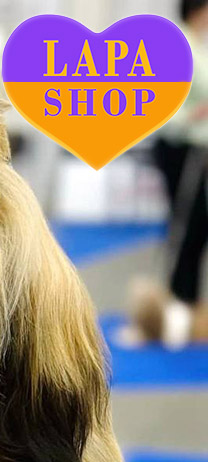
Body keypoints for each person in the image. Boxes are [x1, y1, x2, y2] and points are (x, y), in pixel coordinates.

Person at [153, 0, 208, 348]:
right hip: (180, 149)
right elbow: (160, 105)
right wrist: (193, 116)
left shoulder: (198, 45)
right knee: (187, 228)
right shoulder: (181, 47)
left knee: (196, 229)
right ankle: (176, 310)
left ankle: (187, 307)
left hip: (196, 152)